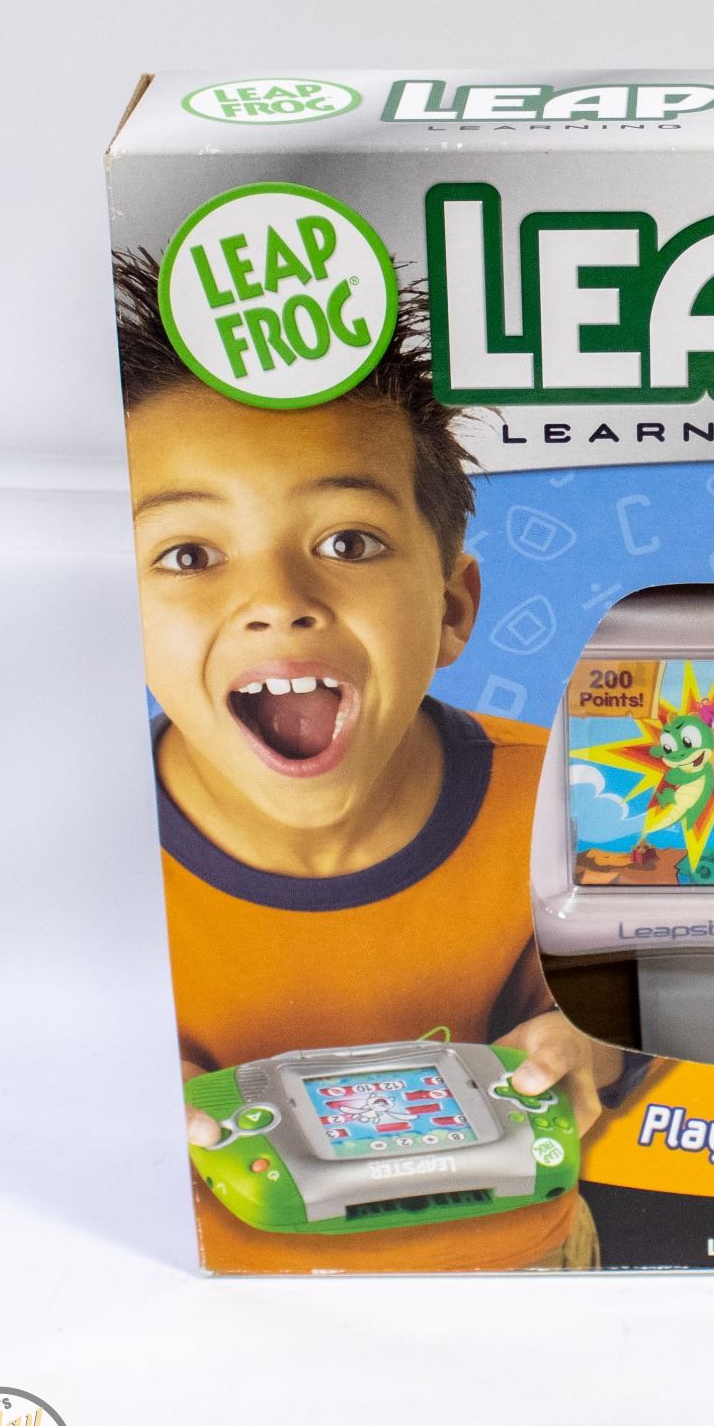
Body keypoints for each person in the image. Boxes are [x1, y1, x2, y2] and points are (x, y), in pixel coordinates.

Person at [112, 252, 643, 1272]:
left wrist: (590, 1047)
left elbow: (643, 1013)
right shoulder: (73, 860)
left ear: (451, 609)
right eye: (189, 554)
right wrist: (99, 1088)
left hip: (523, 1274)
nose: (278, 601)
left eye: (349, 542)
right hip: (204, 1301)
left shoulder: (574, 798)